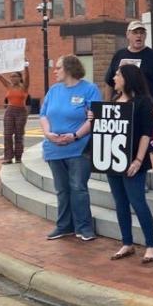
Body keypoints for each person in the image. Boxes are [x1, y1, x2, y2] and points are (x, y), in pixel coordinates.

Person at [100, 64, 153, 264]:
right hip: (114, 161)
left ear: (128, 77)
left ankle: (151, 245)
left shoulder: (143, 102)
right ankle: (127, 242)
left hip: (134, 161)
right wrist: (94, 118)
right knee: (120, 203)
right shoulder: (115, 101)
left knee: (138, 202)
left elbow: (145, 134)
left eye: (117, 74)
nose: (114, 78)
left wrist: (138, 160)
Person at [41, 54, 102, 241]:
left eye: (58, 68)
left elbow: (94, 118)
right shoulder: (53, 90)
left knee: (78, 187)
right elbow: (43, 115)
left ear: (69, 69)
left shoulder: (89, 89)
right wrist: (48, 134)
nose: (55, 71)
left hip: (78, 148)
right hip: (54, 149)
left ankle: (84, 227)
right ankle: (64, 226)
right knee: (62, 189)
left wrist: (75, 136)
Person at [104, 20, 153, 150]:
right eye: (135, 33)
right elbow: (109, 83)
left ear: (145, 36)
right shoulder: (119, 55)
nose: (138, 36)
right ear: (128, 35)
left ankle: (140, 164)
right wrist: (107, 106)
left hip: (144, 108)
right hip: (121, 108)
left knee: (142, 142)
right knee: (121, 142)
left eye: (141, 33)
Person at [0, 62, 30, 164]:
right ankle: (8, 157)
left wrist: (26, 65)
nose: (12, 78)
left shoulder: (24, 86)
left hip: (21, 112)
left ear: (20, 77)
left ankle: (18, 157)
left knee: (19, 135)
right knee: (7, 135)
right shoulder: (8, 85)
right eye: (11, 76)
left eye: (14, 76)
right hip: (9, 111)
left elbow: (28, 76)